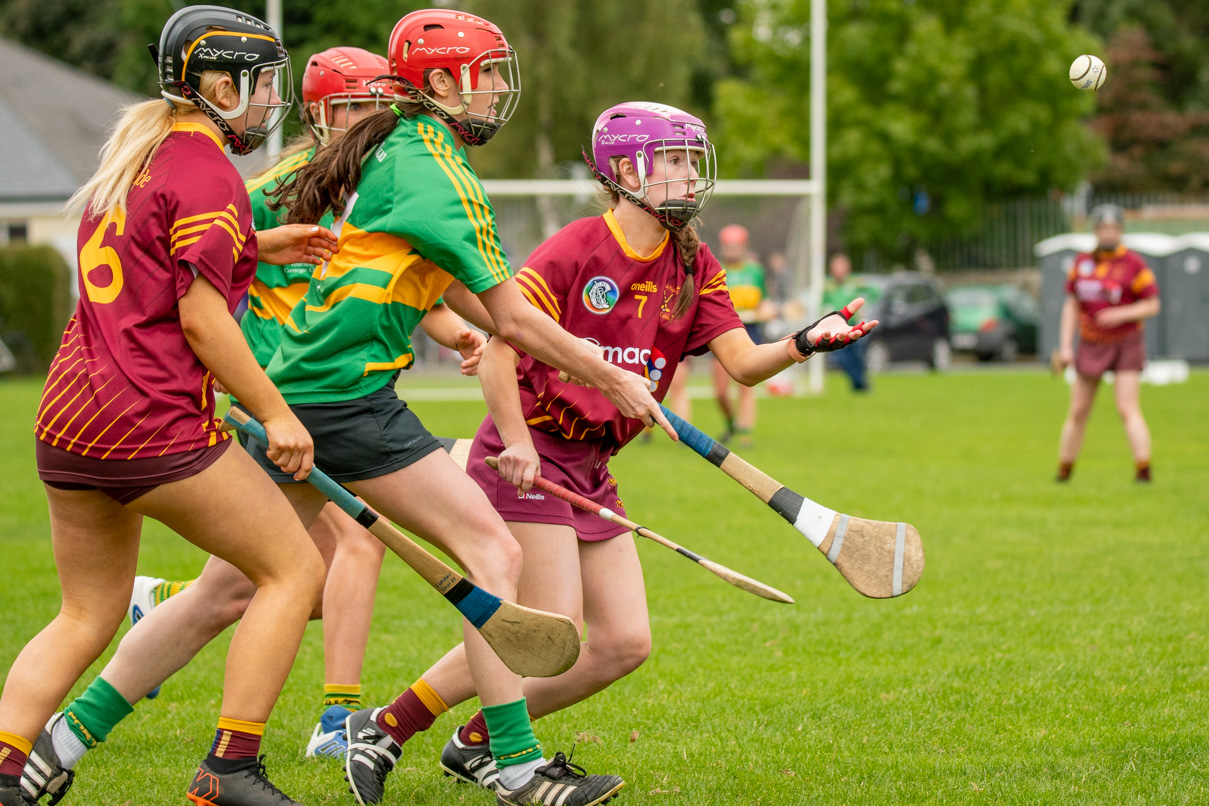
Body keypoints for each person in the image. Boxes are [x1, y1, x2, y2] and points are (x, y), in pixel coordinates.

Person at [351, 101, 876, 798]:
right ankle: (394, 726)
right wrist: (514, 442)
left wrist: (806, 342)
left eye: (693, 160)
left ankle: (470, 740)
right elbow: (505, 346)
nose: (691, 174)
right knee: (552, 628)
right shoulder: (576, 248)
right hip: (529, 452)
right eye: (675, 161)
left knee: (623, 643)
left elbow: (742, 365)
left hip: (593, 467)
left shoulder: (694, 264)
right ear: (626, 170)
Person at [262, 11, 680, 806]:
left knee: (237, 587)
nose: (497, 89)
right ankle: (508, 767)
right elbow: (515, 320)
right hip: (341, 398)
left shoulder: (395, 147)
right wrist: (613, 377)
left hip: (301, 393)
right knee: (490, 557)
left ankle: (69, 742)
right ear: (445, 83)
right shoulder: (431, 164)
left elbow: (430, 269)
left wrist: (455, 326)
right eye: (487, 72)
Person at [113, 45, 489, 765]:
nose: (366, 120)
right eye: (350, 106)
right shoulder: (279, 183)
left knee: (287, 583)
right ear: (316, 115)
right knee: (356, 544)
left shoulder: (374, 182)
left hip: (325, 398)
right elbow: (185, 253)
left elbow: (414, 279)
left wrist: (458, 330)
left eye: (375, 104)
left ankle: (161, 609)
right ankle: (338, 716)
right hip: (274, 396)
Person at [3, 7, 339, 806]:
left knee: (86, 613)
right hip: (148, 422)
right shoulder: (208, 169)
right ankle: (230, 768)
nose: (269, 105)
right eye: (260, 88)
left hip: (68, 422)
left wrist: (263, 242)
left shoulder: (138, 155)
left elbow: (155, 259)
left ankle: (6, 772)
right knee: (292, 570)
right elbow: (199, 315)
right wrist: (279, 413)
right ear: (218, 85)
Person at [1055, 204, 1160, 482]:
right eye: (1103, 228)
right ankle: (1064, 471)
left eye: (1114, 228)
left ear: (1121, 231)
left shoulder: (1134, 263)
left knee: (1127, 407)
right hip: (1091, 342)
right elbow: (1071, 306)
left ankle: (1144, 471)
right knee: (1078, 410)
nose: (1108, 233)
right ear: (1096, 231)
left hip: (1126, 341)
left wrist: (1120, 313)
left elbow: (1152, 304)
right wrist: (1065, 346)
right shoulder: (1083, 263)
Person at [710, 225, 774, 447]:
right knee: (719, 391)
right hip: (721, 331)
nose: (733, 250)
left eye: (736, 245)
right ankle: (731, 423)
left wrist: (767, 310)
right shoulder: (715, 268)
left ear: (744, 246)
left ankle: (746, 434)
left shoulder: (755, 271)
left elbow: (763, 301)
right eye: (729, 245)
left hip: (750, 330)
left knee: (746, 385)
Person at [822, 252, 870, 392]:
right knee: (841, 358)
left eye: (841, 266)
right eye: (836, 267)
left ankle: (860, 384)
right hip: (835, 330)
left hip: (853, 327)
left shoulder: (855, 283)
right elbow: (822, 304)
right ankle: (858, 382)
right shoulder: (828, 287)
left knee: (858, 357)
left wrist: (866, 307)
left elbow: (874, 292)